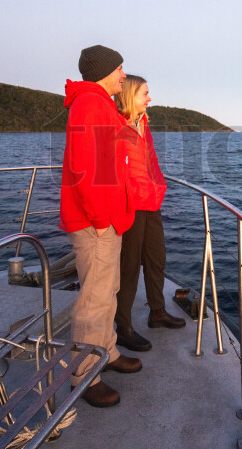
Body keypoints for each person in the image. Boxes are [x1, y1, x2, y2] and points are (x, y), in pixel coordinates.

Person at [59, 44, 142, 409]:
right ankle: (84, 375)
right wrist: (101, 218)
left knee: (108, 290)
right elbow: (83, 169)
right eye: (120, 69)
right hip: (97, 221)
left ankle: (106, 350)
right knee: (94, 299)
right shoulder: (90, 104)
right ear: (105, 71)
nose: (124, 75)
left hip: (108, 218)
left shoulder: (100, 104)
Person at [113, 74, 185, 354]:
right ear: (132, 95)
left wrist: (159, 187)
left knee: (157, 260)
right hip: (131, 207)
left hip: (151, 203)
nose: (150, 98)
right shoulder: (117, 127)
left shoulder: (142, 125)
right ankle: (124, 327)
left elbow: (151, 162)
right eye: (145, 93)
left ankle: (157, 312)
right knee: (128, 269)